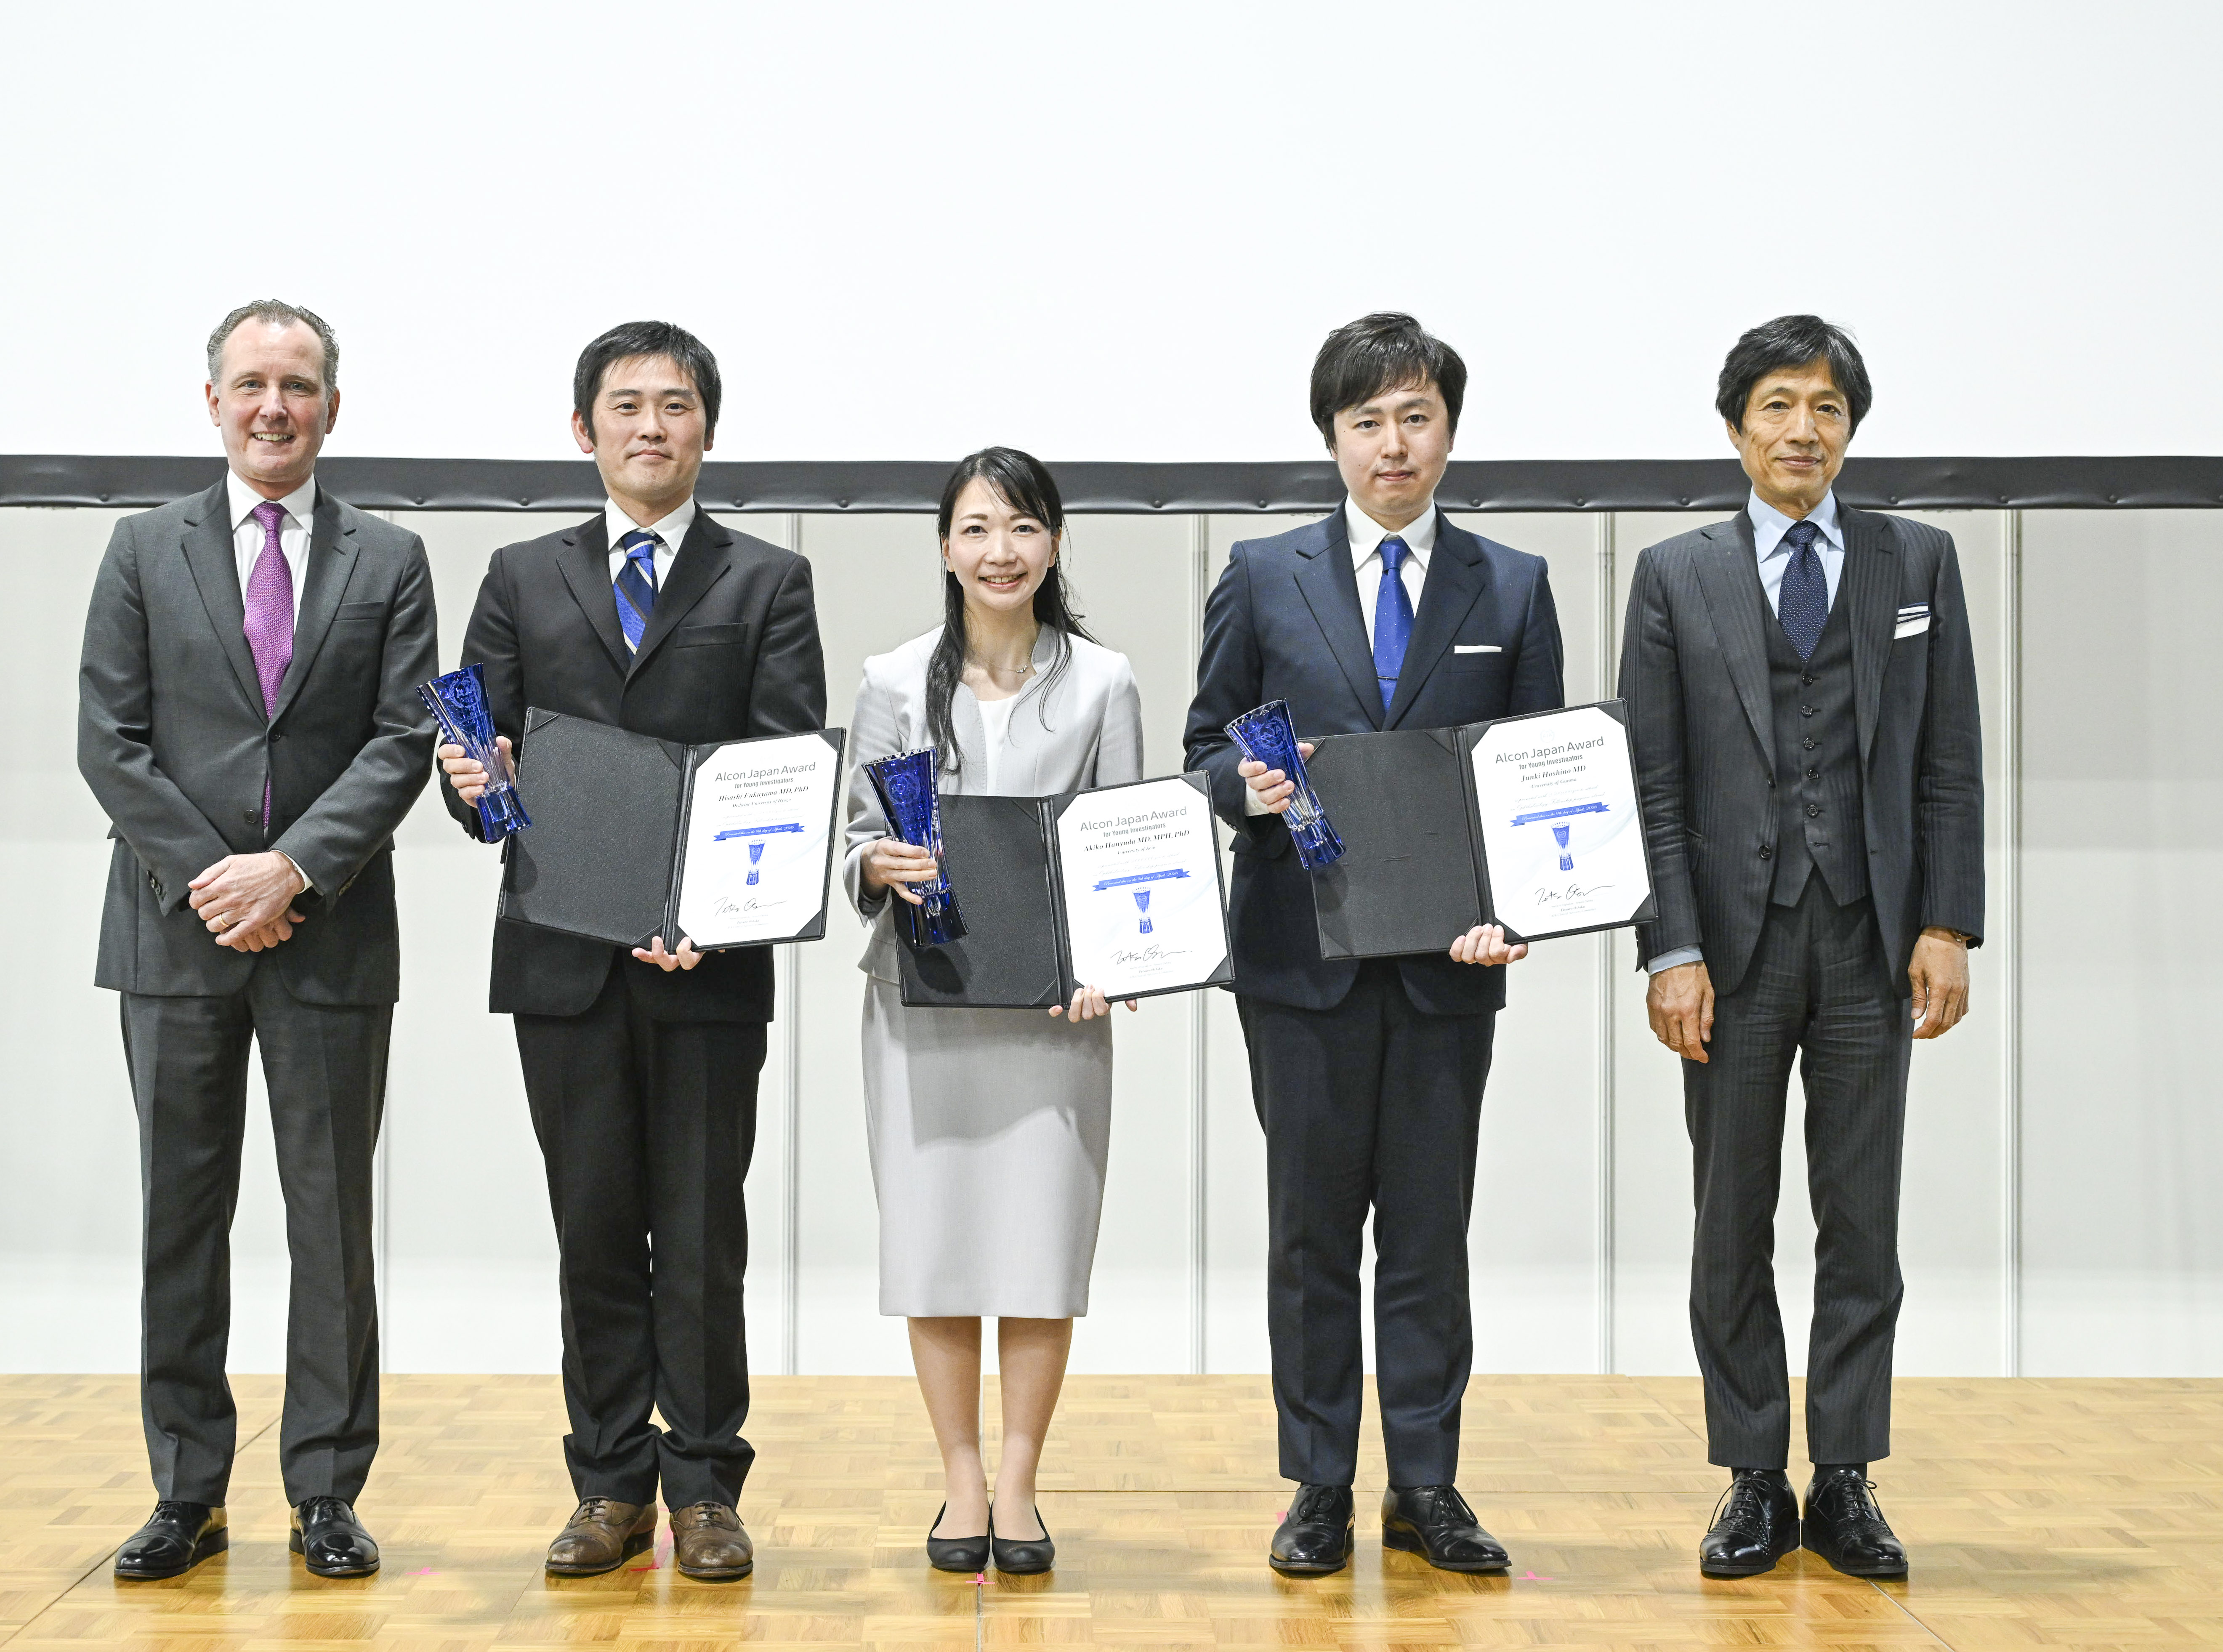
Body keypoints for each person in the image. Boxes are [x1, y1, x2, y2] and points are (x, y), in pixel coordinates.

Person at [437, 320, 824, 1581]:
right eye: (625, 405)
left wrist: (706, 913)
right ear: (582, 430)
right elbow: (482, 772)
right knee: (595, 1227)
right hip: (563, 959)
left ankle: (706, 1487)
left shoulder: (766, 580)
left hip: (710, 971)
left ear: (708, 427)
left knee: (704, 1234)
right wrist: (469, 777)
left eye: (674, 405)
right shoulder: (520, 574)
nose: (649, 425)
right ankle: (608, 1484)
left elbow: (781, 766)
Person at [1183, 313, 1564, 1577]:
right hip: (1301, 963)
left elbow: (1534, 779)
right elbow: (1203, 755)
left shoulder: (1510, 586)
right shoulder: (1260, 570)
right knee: (1309, 1234)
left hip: (1452, 966)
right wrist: (1250, 789)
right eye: (1367, 422)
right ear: (1331, 438)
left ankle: (1431, 1484)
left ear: (1448, 430)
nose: (1392, 444)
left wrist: (1515, 909)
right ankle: (1318, 1486)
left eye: (1415, 417)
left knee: (1429, 1231)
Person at [77, 300, 439, 1580]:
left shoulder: (390, 559)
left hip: (330, 935)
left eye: (298, 385)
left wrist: (292, 871)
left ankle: (327, 1493)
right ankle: (186, 1489)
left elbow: (403, 742)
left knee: (330, 1225)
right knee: (183, 1219)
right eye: (251, 385)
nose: (273, 406)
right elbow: (108, 746)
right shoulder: (142, 549)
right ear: (215, 403)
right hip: (173, 942)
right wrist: (216, 883)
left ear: (332, 407)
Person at [1618, 315, 1983, 1580]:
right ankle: (1753, 1477)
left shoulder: (1918, 562)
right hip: (1730, 949)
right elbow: (1651, 784)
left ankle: (1848, 1477)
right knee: (1731, 1220)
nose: (1802, 430)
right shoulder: (1675, 573)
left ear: (1849, 431)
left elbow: (1948, 765)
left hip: (1875, 944)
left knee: (1862, 1219)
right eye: (1778, 405)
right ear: (1736, 428)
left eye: (1826, 408)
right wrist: (1670, 946)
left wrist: (1946, 923)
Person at [840, 447, 1142, 1577]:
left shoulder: (1105, 681)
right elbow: (856, 842)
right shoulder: (889, 675)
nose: (999, 551)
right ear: (945, 549)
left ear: (1053, 544)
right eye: (975, 529)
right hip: (924, 1003)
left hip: (1060, 1010)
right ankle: (958, 1480)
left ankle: (1019, 1481)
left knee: (1038, 1243)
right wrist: (881, 866)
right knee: (938, 1239)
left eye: (1021, 528)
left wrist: (1108, 961)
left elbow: (1123, 847)